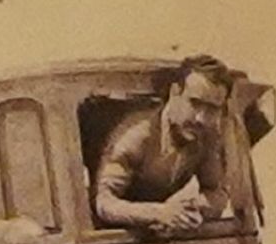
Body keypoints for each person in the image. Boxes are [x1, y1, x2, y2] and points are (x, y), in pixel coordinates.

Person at [92, 54, 231, 234]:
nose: (201, 118)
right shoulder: (137, 136)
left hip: (156, 235)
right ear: (175, 92)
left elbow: (217, 192)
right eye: (194, 103)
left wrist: (192, 207)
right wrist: (159, 213)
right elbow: (104, 202)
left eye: (212, 109)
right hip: (107, 240)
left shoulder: (205, 137)